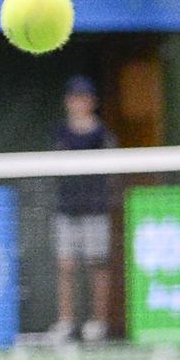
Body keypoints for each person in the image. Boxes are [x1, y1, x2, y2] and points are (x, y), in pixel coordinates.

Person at [49, 77, 118, 344]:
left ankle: (98, 323)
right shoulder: (59, 133)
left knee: (96, 265)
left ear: (92, 102)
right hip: (67, 208)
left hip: (95, 208)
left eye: (84, 98)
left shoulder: (102, 135)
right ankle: (66, 322)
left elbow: (112, 171)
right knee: (65, 265)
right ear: (68, 101)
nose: (79, 103)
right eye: (74, 98)